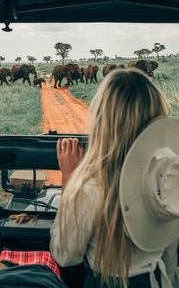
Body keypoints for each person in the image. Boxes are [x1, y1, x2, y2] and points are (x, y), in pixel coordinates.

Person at [50, 68, 179, 288]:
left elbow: (66, 254)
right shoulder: (168, 178)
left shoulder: (90, 186)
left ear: (102, 123)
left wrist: (70, 177)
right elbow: (169, 249)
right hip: (156, 280)